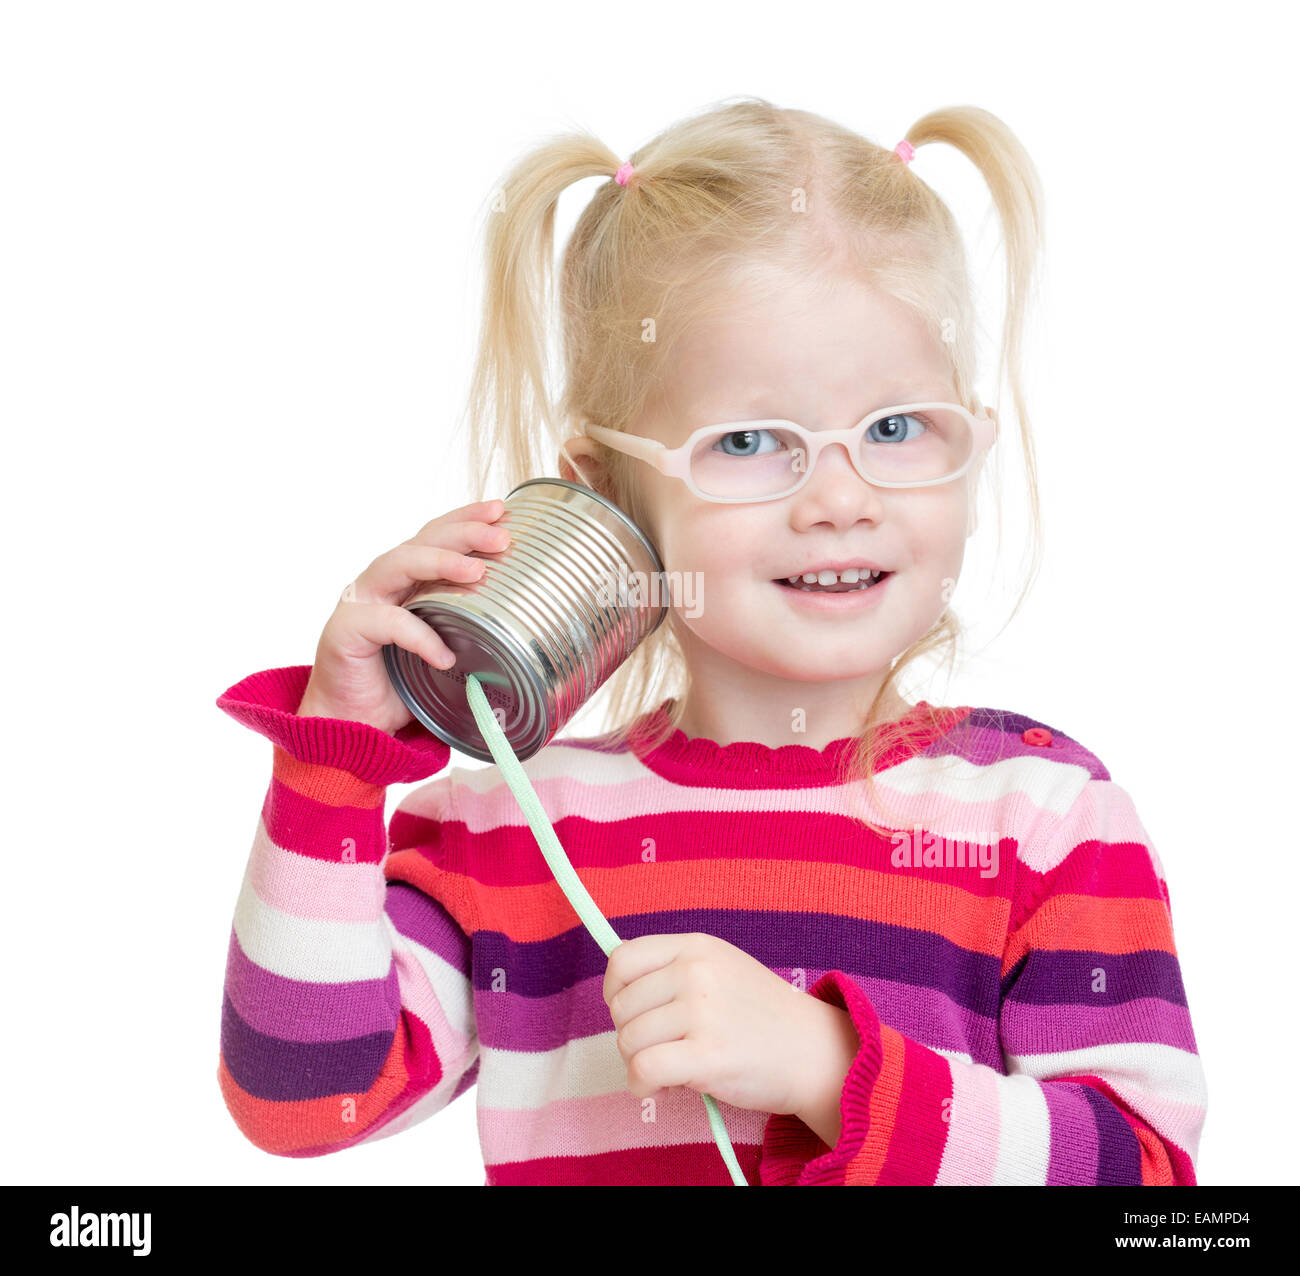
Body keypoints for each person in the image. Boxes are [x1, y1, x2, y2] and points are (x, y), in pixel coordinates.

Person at [215, 97, 1207, 1185]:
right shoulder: (508, 828)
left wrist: (834, 1073)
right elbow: (303, 1097)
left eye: (893, 428)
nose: (839, 497)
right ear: (605, 494)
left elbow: (1143, 1186)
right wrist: (334, 762)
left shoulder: (1047, 821)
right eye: (748, 441)